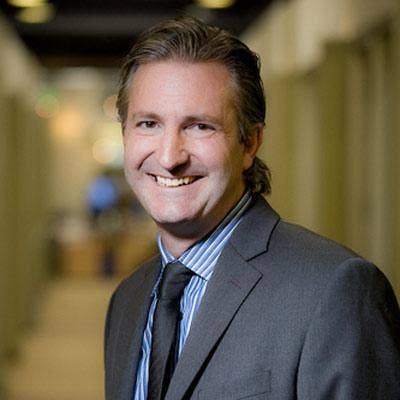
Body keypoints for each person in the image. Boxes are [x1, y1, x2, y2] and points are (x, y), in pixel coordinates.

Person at [104, 16, 400, 400]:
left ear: (250, 143)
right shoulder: (127, 300)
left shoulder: (335, 292)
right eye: (148, 124)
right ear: (125, 134)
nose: (169, 157)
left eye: (200, 126)